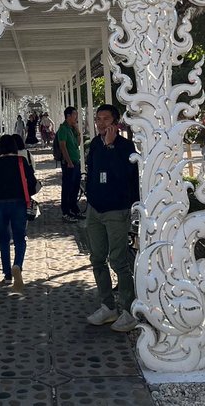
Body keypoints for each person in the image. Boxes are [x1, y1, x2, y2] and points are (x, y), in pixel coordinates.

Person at [85, 104, 140, 332]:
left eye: (105, 119)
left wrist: (110, 148)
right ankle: (108, 306)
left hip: (117, 211)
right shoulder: (95, 144)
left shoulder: (126, 147)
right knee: (97, 258)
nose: (100, 123)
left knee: (118, 260)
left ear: (115, 122)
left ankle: (129, 310)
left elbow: (123, 177)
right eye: (98, 118)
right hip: (95, 209)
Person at [0, 133, 37, 293]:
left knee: (4, 240)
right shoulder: (22, 161)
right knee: (20, 238)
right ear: (14, 146)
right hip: (19, 203)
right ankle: (17, 265)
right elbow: (32, 183)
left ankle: (7, 275)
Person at [56, 106, 84, 222]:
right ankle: (66, 212)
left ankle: (74, 209)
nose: (76, 117)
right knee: (68, 187)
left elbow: (78, 143)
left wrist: (77, 130)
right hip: (69, 163)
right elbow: (63, 146)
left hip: (76, 161)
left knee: (75, 187)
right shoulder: (63, 129)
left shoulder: (71, 128)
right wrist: (69, 162)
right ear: (68, 116)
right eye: (74, 115)